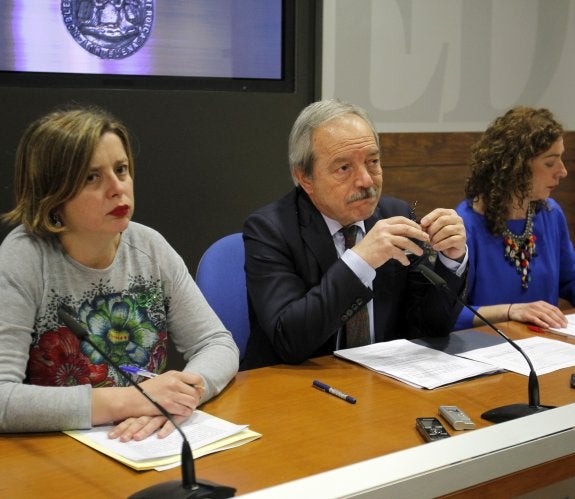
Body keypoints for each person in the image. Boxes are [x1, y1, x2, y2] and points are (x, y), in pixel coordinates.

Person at [0, 106, 239, 438]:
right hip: (55, 453)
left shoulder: (149, 246)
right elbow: (3, 397)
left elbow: (216, 343)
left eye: (121, 169)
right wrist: (132, 401)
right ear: (51, 193)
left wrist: (183, 396)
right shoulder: (25, 257)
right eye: (91, 177)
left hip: (146, 440)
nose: (117, 188)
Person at [242, 99, 468, 370]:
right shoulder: (270, 229)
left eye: (372, 161)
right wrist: (359, 262)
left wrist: (451, 261)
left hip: (381, 383)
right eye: (344, 168)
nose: (367, 180)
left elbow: (428, 326)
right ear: (305, 178)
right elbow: (289, 340)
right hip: (297, 389)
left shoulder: (394, 213)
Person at [454, 106, 575, 331]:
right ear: (515, 167)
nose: (563, 171)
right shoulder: (465, 225)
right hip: (488, 353)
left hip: (546, 348)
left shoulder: (550, 213)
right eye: (550, 162)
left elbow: (570, 280)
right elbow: (446, 313)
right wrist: (511, 310)